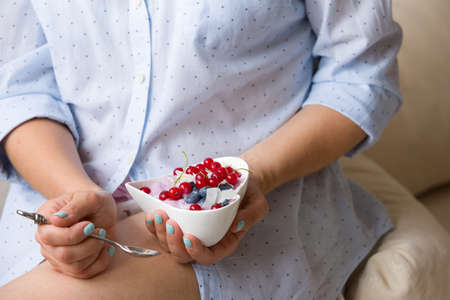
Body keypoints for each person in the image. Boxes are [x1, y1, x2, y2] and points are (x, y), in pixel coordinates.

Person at [0, 0, 402, 299]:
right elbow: (22, 90)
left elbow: (359, 76)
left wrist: (247, 176)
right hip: (53, 204)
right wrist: (76, 197)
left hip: (252, 210)